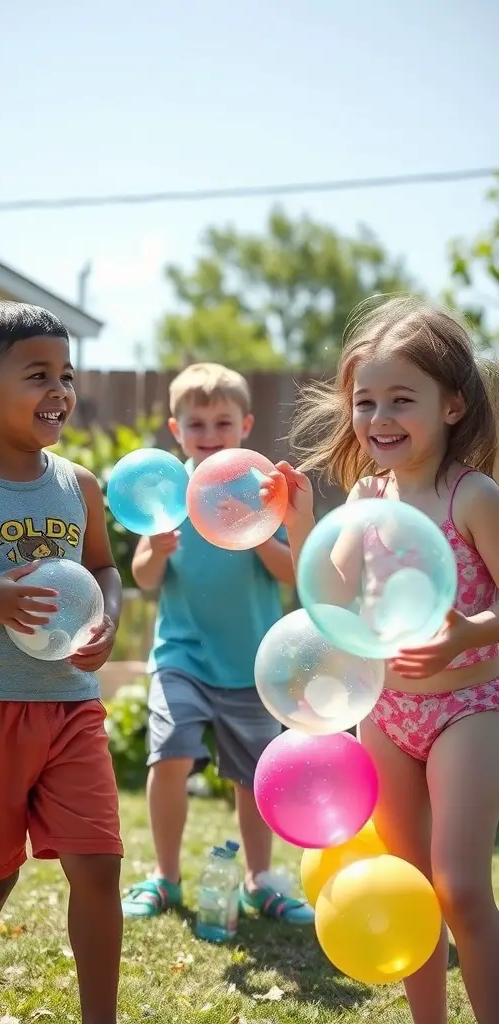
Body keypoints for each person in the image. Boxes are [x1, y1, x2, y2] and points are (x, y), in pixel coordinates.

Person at [271, 297, 499, 1024]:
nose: (380, 417)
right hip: (387, 713)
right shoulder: (367, 496)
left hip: (469, 706)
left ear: (454, 404)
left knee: (460, 886)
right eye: (366, 402)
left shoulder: (474, 496)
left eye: (403, 399)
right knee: (410, 884)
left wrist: (468, 636)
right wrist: (303, 524)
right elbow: (328, 596)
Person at [0, 301, 124, 1024]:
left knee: (99, 865)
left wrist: (109, 616)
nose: (60, 392)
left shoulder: (81, 487)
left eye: (65, 374)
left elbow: (103, 570)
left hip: (73, 703)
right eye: (38, 375)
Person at [123, 362, 314, 924]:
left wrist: (253, 532)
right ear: (176, 430)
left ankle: (259, 879)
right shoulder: (167, 494)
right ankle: (165, 877)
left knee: (252, 776)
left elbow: (290, 574)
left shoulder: (261, 493)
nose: (209, 434)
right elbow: (144, 578)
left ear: (245, 426)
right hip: (180, 656)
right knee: (171, 753)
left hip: (250, 664)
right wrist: (155, 550)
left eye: (222, 423)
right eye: (197, 423)